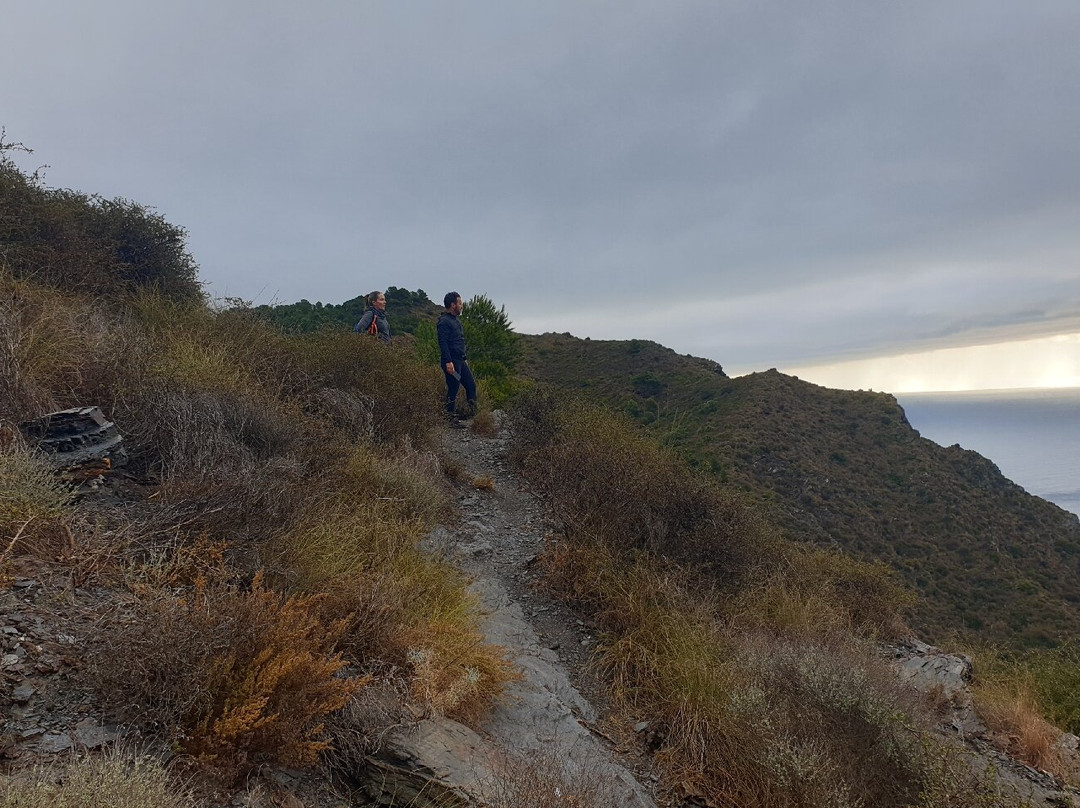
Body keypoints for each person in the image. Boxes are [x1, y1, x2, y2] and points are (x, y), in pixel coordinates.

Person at [437, 291, 476, 422]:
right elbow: (443, 343)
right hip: (451, 362)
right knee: (453, 387)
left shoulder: (456, 321)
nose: (461, 305)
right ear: (453, 305)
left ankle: (472, 414)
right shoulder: (444, 322)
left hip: (460, 361)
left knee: (470, 385)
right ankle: (449, 417)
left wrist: (465, 359)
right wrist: (448, 361)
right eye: (459, 303)